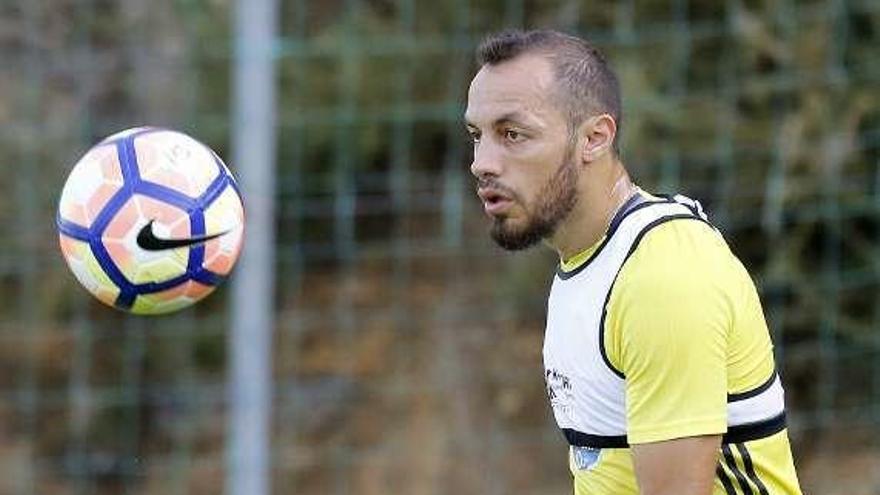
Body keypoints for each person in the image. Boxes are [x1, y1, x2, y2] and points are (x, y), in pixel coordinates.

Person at [464, 29, 802, 495]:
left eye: (513, 134)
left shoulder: (662, 279)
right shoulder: (588, 263)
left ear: (595, 138)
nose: (483, 162)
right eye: (476, 136)